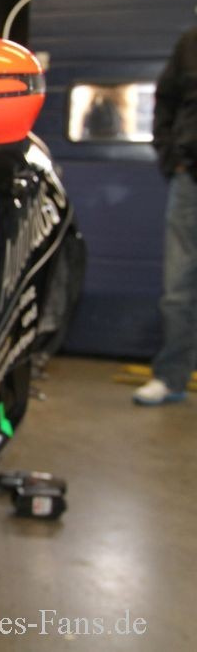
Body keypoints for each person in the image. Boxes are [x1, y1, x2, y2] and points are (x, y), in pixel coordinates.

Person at [134, 25, 197, 405]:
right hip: (190, 180)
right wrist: (171, 157)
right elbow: (166, 100)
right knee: (178, 288)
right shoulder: (191, 44)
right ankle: (172, 377)